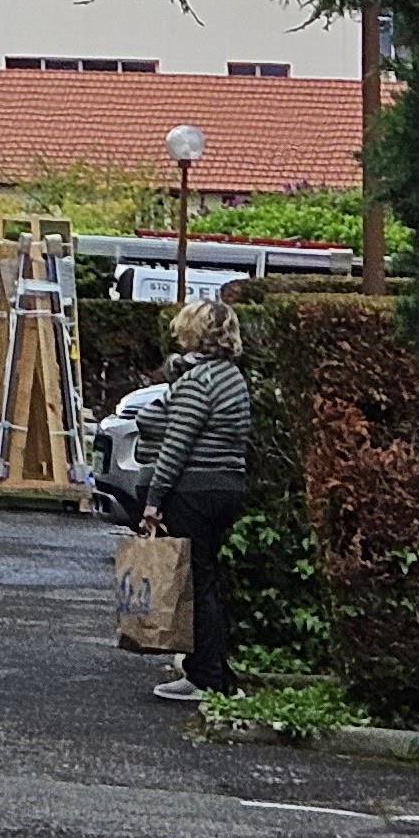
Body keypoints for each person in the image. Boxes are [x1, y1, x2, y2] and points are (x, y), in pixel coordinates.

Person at [139, 295, 253, 705]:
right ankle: (216, 671)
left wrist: (154, 501)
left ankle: (204, 677)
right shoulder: (231, 377)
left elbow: (175, 445)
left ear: (193, 332)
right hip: (227, 486)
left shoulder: (197, 382)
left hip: (194, 489)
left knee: (195, 586)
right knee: (206, 582)